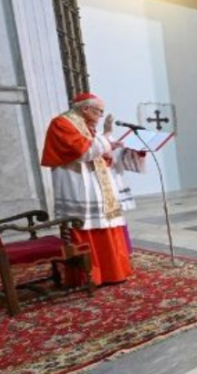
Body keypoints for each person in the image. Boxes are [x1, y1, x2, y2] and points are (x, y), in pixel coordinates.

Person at [40, 93, 137, 286]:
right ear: (85, 109)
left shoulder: (87, 126)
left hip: (98, 185)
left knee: (108, 225)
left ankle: (113, 272)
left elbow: (101, 152)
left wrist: (114, 146)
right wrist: (106, 138)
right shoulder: (62, 124)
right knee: (85, 226)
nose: (101, 115)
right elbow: (83, 152)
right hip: (77, 185)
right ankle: (91, 276)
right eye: (99, 111)